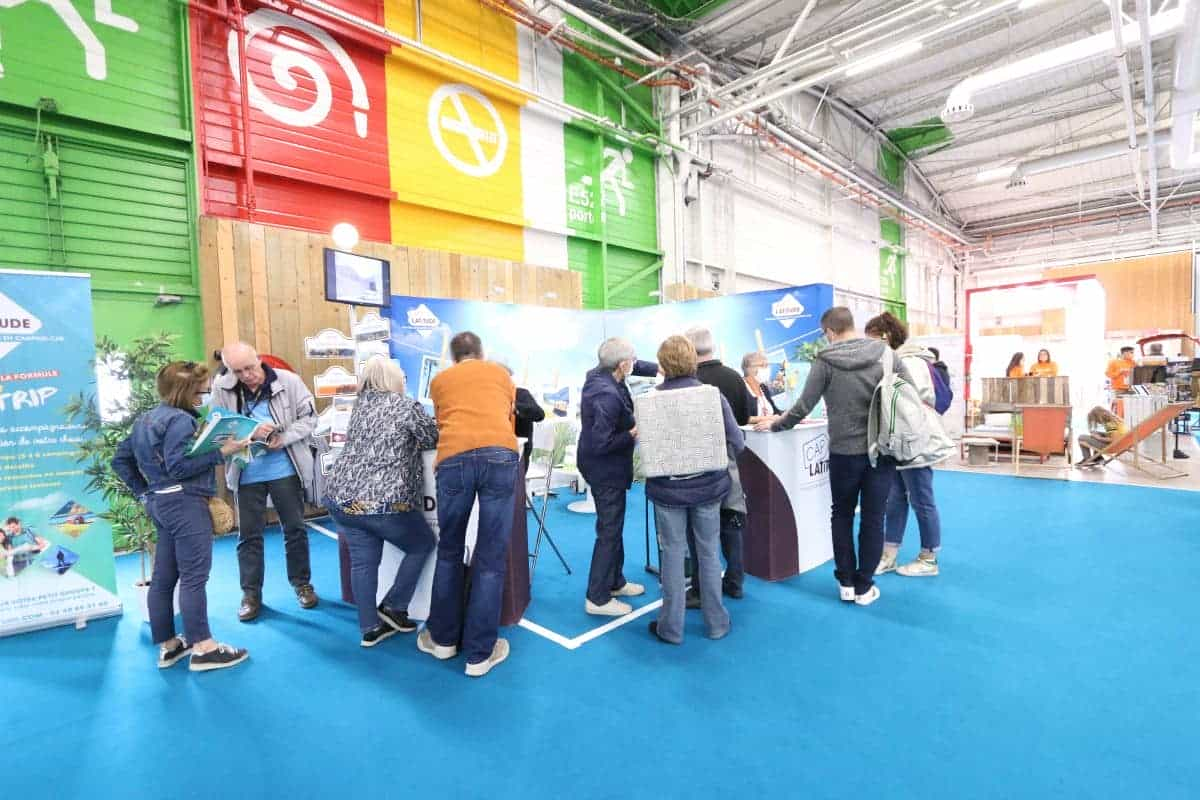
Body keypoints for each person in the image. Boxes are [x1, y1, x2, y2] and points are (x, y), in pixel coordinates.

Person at [754, 307, 912, 606]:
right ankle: (865, 587)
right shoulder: (886, 355)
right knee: (873, 518)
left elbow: (803, 406)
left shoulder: (825, 360)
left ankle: (846, 583)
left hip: (843, 453)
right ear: (852, 325)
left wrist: (777, 424)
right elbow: (909, 396)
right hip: (882, 452)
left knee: (841, 515)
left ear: (829, 332)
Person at [111, 361, 249, 672]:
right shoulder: (181, 422)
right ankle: (204, 647)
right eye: (201, 387)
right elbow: (179, 467)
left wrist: (145, 493)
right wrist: (222, 452)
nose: (206, 393)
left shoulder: (145, 420)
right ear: (186, 390)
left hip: (161, 503)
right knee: (193, 577)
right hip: (185, 504)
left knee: (163, 579)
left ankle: (171, 646)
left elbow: (119, 460)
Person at [417, 332, 519, 678]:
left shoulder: (440, 380)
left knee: (449, 550)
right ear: (481, 351)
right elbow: (508, 417)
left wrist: (446, 455)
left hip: (454, 459)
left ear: (453, 355)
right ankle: (480, 654)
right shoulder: (501, 375)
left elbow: (441, 421)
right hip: (500, 455)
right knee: (491, 559)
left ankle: (444, 641)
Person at [323, 357, 438, 648]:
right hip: (384, 503)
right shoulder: (405, 406)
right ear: (391, 378)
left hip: (342, 499)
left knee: (363, 563)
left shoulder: (360, 406)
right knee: (422, 544)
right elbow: (431, 437)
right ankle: (394, 606)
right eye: (401, 374)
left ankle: (369, 628)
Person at [645, 335, 744, 645]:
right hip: (709, 488)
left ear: (662, 365)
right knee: (708, 553)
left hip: (667, 491)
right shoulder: (713, 396)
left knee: (673, 556)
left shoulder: (648, 401)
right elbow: (737, 443)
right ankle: (717, 623)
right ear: (692, 361)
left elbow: (645, 450)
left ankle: (670, 628)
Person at [212, 342, 319, 623]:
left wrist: (283, 437)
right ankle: (250, 595)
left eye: (249, 368)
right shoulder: (221, 388)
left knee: (295, 529)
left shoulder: (290, 382)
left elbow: (310, 419)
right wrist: (250, 434)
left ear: (259, 360)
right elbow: (219, 429)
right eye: (238, 371)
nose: (246, 375)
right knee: (248, 536)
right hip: (246, 473)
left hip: (285, 468)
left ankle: (302, 584)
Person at [576, 338, 658, 617]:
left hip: (605, 465)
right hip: (604, 468)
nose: (636, 363)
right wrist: (632, 434)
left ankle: (615, 581)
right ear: (623, 365)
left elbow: (638, 365)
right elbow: (602, 442)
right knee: (609, 531)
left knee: (614, 525)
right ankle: (597, 598)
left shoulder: (602, 372)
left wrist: (662, 368)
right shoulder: (606, 395)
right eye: (633, 360)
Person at [864, 313, 946, 578]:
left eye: (872, 338)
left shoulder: (910, 361)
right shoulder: (892, 360)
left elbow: (918, 401)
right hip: (896, 441)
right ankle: (889, 554)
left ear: (884, 336)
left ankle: (929, 558)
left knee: (922, 499)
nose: (869, 343)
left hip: (914, 439)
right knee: (895, 498)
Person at [685, 326, 750, 604]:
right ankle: (735, 582)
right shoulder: (735, 378)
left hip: (695, 467)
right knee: (732, 523)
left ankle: (701, 588)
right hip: (728, 464)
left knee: (699, 534)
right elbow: (744, 421)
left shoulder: (689, 383)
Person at [743, 351, 783, 424]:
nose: (766, 369)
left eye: (767, 365)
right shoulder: (740, 388)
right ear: (748, 368)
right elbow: (741, 418)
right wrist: (769, 418)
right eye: (762, 365)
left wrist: (792, 416)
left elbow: (776, 412)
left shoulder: (763, 387)